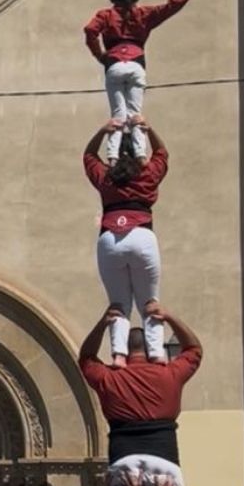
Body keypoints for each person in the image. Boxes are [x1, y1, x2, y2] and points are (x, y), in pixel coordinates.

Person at [79, 306, 203, 486]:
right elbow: (194, 350)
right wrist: (170, 316)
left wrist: (103, 324)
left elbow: (86, 358)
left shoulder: (110, 378)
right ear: (153, 349)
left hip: (123, 457)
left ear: (122, 351)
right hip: (165, 458)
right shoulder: (169, 374)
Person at [83, 0, 198, 159]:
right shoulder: (144, 14)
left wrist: (101, 56)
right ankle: (141, 156)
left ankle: (112, 157)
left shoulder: (106, 15)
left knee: (118, 114)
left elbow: (90, 31)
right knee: (135, 113)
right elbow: (171, 6)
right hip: (137, 65)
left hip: (114, 66)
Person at [83, 118, 169, 365]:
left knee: (119, 303)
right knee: (149, 301)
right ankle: (156, 353)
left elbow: (89, 155)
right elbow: (162, 153)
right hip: (142, 235)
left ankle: (119, 355)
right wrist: (148, 128)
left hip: (110, 238)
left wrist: (102, 131)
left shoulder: (107, 177)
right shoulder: (147, 175)